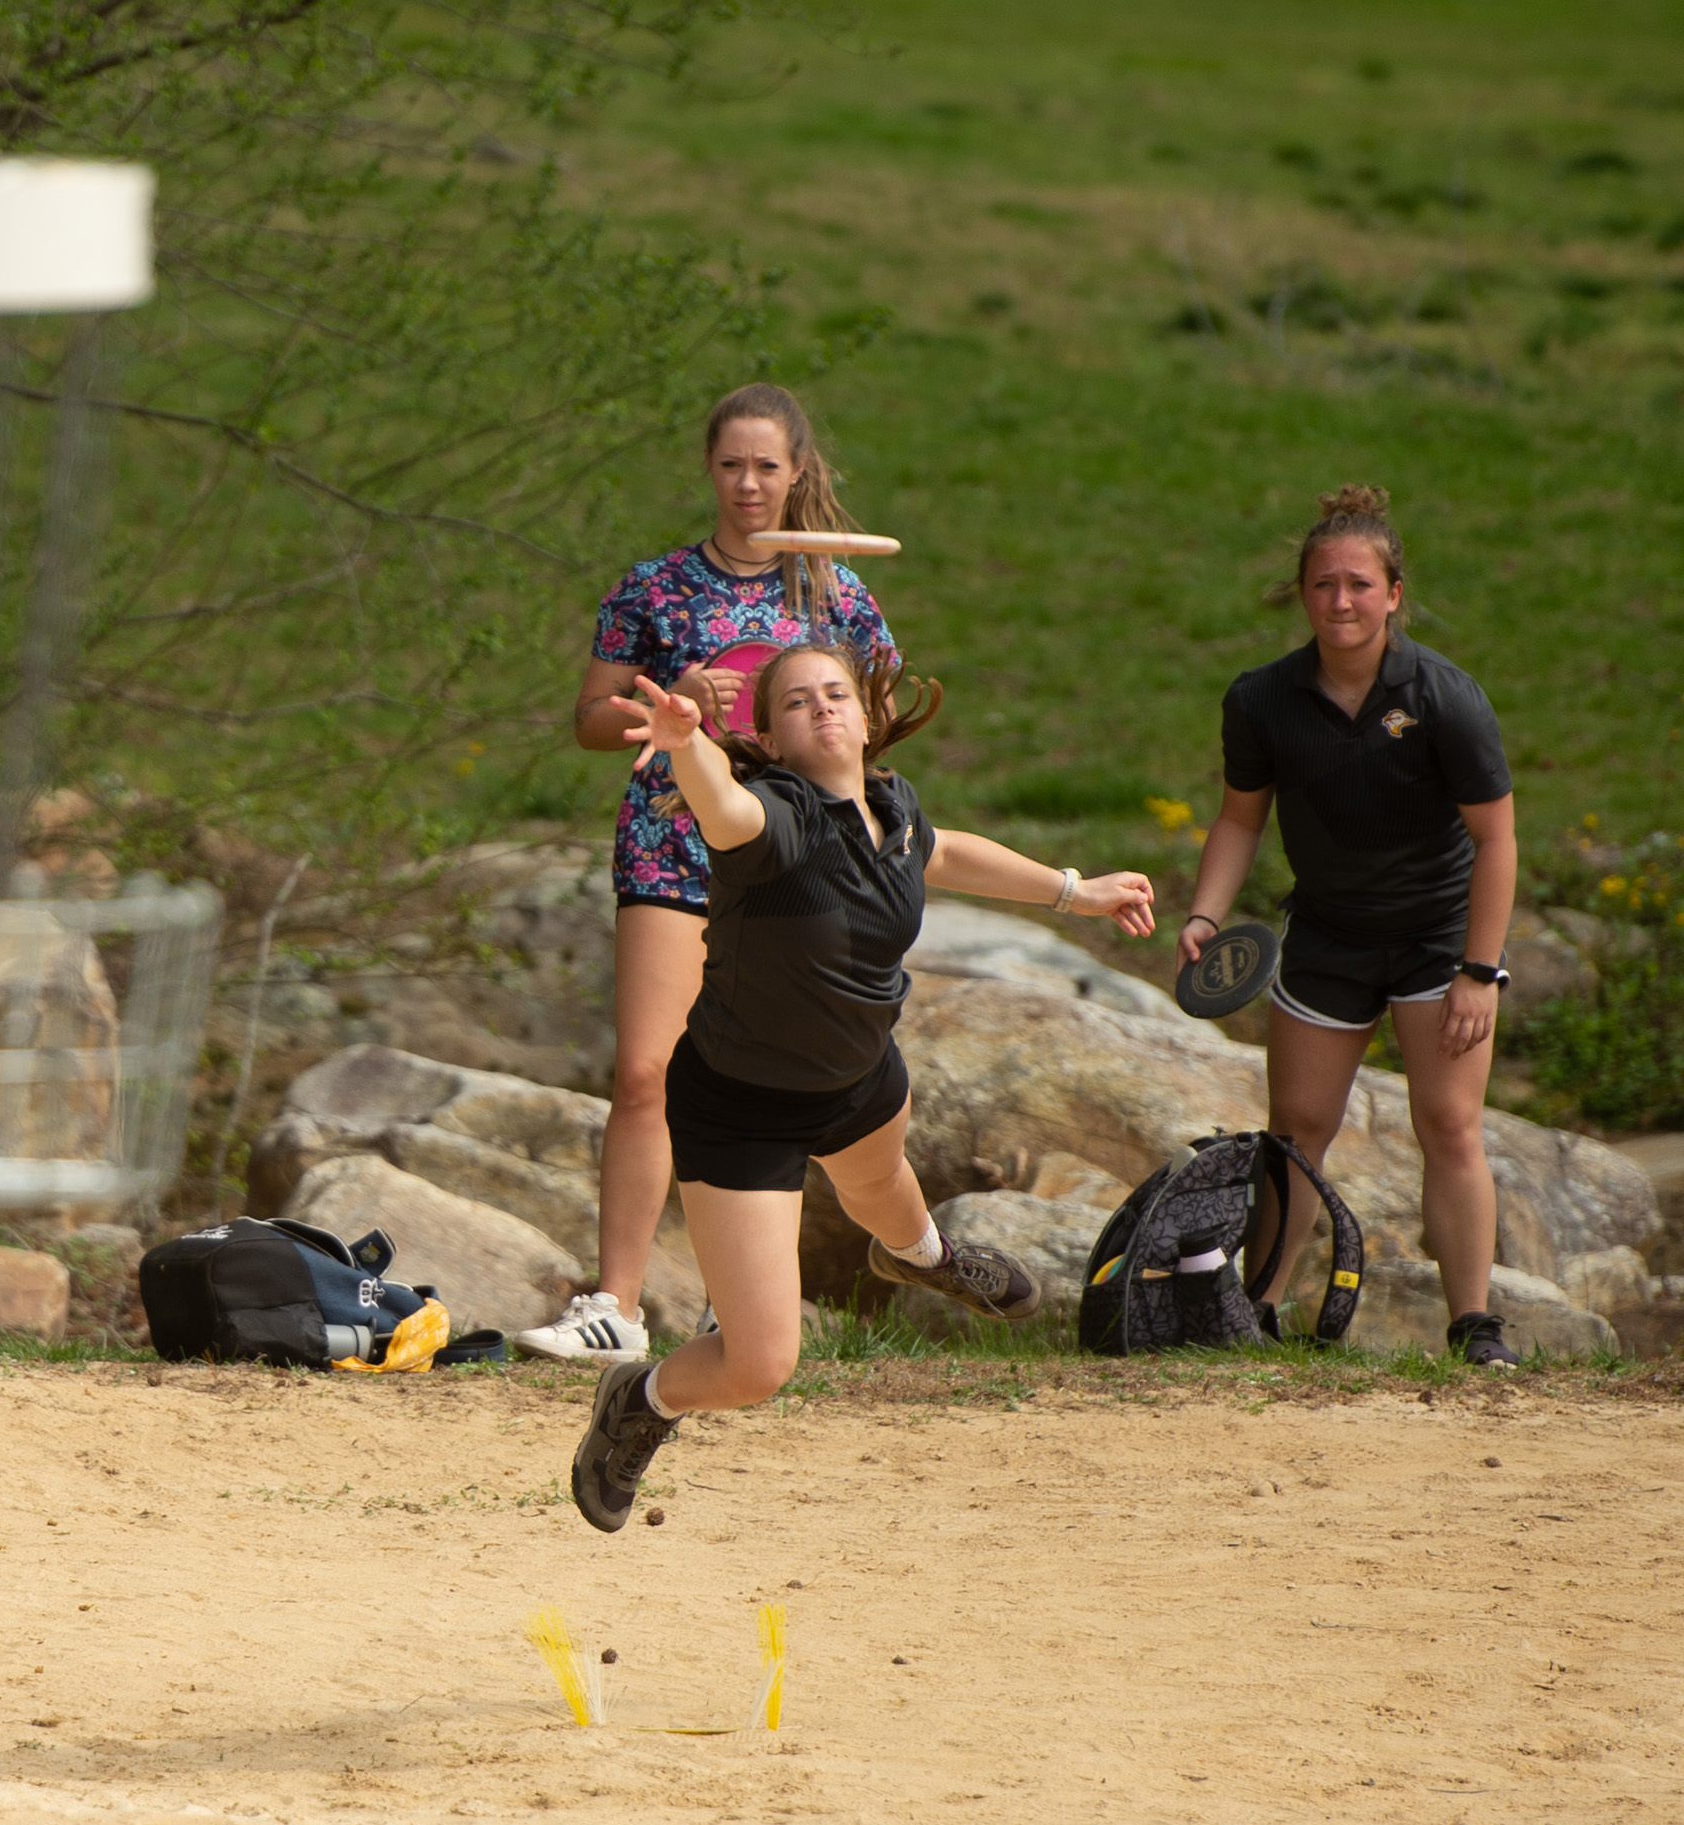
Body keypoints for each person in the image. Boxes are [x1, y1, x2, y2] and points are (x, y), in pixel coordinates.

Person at [569, 641, 1156, 1531]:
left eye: (837, 693)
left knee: (882, 1190)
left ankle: (924, 1257)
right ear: (768, 731)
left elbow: (943, 852)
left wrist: (1078, 890)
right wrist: (690, 745)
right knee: (758, 1367)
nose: (823, 709)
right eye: (797, 702)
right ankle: (641, 1400)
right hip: (741, 1105)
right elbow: (725, 811)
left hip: (857, 1078)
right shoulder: (778, 820)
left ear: (870, 715)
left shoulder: (894, 809)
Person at [514, 384, 895, 1365]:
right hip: (671, 843)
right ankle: (616, 1303)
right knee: (647, 1071)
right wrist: (669, 703)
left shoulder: (834, 594)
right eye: (731, 465)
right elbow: (592, 719)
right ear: (708, 470)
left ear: (798, 471)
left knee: (771, 1080)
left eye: (767, 466)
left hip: (792, 868)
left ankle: (738, 1301)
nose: (748, 484)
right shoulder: (654, 587)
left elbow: (879, 719)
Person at [1177, 485, 1519, 1366]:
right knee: (1296, 1128)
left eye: (1360, 585)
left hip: (1437, 940)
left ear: (1394, 593)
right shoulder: (1262, 700)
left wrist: (1480, 970)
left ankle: (1474, 1325)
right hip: (1327, 934)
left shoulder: (1445, 696)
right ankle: (1257, 1310)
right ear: (1303, 594)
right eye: (1325, 585)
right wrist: (1206, 915)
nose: (1342, 601)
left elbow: (1497, 839)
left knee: (1447, 1123)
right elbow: (1241, 820)